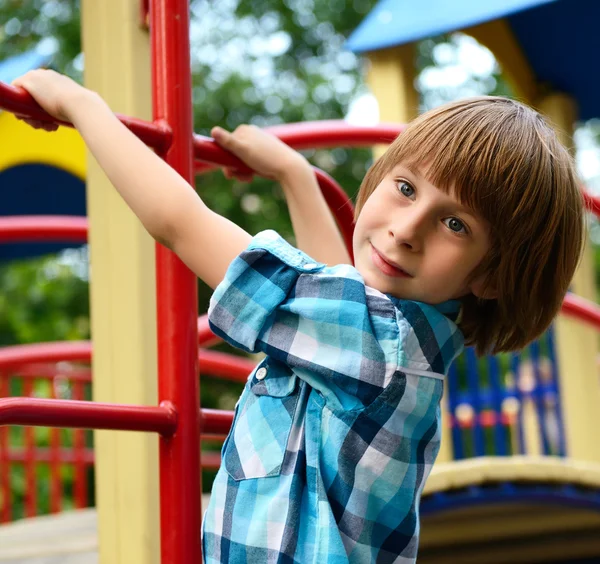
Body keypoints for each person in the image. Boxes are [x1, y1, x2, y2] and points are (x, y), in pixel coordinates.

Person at [12, 69, 584, 563]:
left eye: (455, 225)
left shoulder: (376, 341)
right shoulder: (403, 342)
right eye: (406, 188)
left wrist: (81, 107)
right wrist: (297, 176)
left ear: (490, 277)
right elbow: (344, 283)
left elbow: (179, 222)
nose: (407, 230)